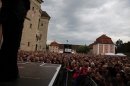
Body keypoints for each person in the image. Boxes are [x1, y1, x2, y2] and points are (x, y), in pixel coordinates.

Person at [0, 0, 30, 82]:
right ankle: (11, 73)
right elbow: (27, 5)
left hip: (5, 15)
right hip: (17, 15)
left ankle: (2, 71)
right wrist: (23, 17)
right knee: (13, 45)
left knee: (6, 43)